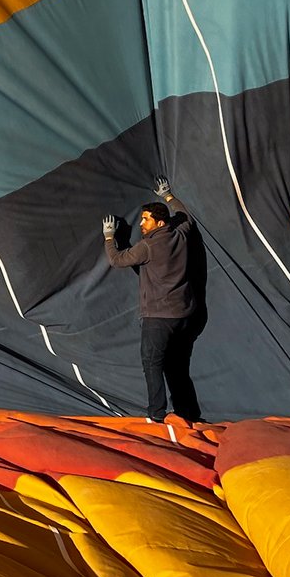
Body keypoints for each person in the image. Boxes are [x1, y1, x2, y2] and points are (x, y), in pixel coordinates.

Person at [102, 177, 203, 423]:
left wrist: (108, 237)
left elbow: (117, 260)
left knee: (152, 364)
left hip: (159, 318)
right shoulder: (180, 234)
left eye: (145, 219)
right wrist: (168, 195)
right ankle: (187, 413)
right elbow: (185, 215)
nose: (141, 223)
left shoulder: (147, 246)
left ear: (158, 222)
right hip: (185, 315)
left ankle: (157, 414)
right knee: (178, 368)